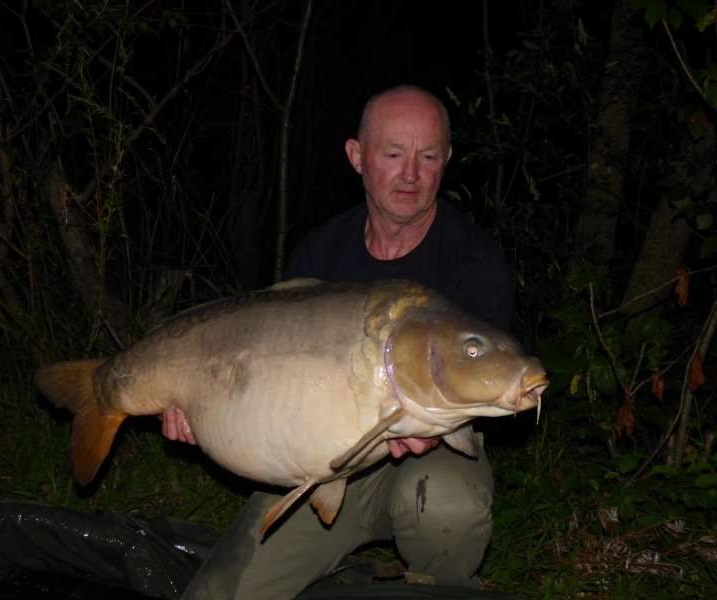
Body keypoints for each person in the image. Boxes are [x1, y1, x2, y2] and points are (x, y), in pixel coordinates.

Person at [163, 85, 514, 599]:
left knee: (447, 505)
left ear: (447, 160)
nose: (411, 174)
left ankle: (441, 588)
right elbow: (267, 392)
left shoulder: (475, 265)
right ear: (357, 157)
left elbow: (478, 383)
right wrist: (204, 407)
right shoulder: (320, 254)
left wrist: (429, 425)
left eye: (428, 156)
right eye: (393, 154)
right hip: (317, 463)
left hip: (424, 460)